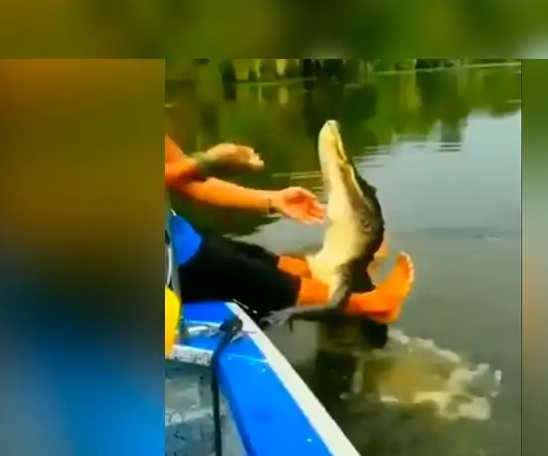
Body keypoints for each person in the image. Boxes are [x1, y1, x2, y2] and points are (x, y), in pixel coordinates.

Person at [164, 134, 413, 323]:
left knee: (252, 256)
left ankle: (322, 273)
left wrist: (272, 200)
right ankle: (374, 304)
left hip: (173, 234)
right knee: (247, 277)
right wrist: (203, 164)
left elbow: (189, 181)